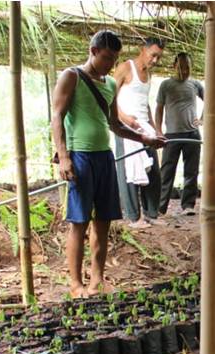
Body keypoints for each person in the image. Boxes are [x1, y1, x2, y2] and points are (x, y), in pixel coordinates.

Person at [52, 30, 166, 298]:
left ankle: (97, 280)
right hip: (80, 156)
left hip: (104, 157)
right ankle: (75, 284)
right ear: (92, 51)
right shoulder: (72, 77)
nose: (109, 65)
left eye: (113, 59)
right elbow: (57, 116)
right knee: (79, 223)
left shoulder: (110, 85)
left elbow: (114, 124)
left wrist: (144, 138)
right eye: (105, 58)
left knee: (103, 221)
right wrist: (64, 156)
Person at [114, 37, 165, 229]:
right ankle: (134, 217)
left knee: (152, 168)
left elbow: (146, 104)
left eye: (158, 57)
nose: (155, 61)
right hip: (125, 126)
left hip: (144, 126)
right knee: (128, 170)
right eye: (153, 55)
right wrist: (125, 119)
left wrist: (156, 130)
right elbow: (110, 98)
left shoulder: (149, 75)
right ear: (142, 49)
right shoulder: (125, 68)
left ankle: (152, 213)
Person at [155, 52, 204, 216]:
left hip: (192, 134)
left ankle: (188, 206)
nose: (184, 71)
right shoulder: (166, 85)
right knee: (167, 171)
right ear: (174, 66)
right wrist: (158, 130)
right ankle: (160, 207)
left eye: (187, 67)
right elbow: (159, 108)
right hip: (172, 135)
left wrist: (202, 119)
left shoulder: (195, 84)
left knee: (191, 171)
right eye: (181, 67)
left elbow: (210, 99)